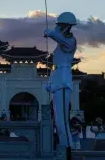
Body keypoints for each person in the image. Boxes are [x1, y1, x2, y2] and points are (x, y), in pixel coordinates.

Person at [44, 12, 78, 159]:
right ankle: (64, 148)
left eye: (60, 25)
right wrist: (50, 83)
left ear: (67, 27)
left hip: (63, 82)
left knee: (63, 121)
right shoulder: (61, 42)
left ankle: (69, 150)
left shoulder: (70, 42)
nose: (57, 27)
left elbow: (61, 39)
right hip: (58, 80)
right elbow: (55, 67)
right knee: (58, 121)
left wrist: (52, 33)